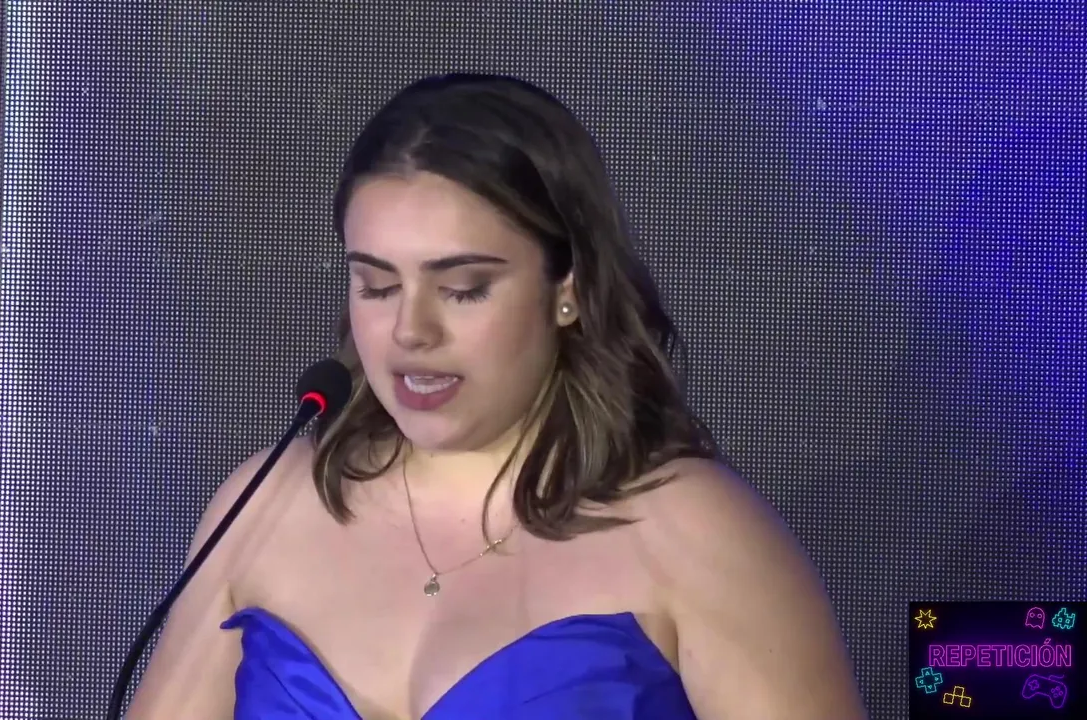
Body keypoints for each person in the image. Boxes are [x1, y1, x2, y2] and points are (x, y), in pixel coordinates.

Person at [126, 73, 867, 719]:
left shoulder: (691, 527)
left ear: (567, 289)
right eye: (377, 286)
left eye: (463, 288)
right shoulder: (264, 506)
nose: (410, 331)